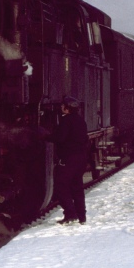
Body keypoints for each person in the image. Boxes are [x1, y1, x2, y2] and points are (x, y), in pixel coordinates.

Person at [48, 96, 89, 225]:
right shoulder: (81, 120)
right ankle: (82, 216)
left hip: (69, 158)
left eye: (63, 106)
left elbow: (60, 138)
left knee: (61, 185)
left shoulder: (66, 121)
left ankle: (70, 214)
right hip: (81, 158)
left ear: (68, 108)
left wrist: (45, 136)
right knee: (77, 187)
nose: (61, 107)